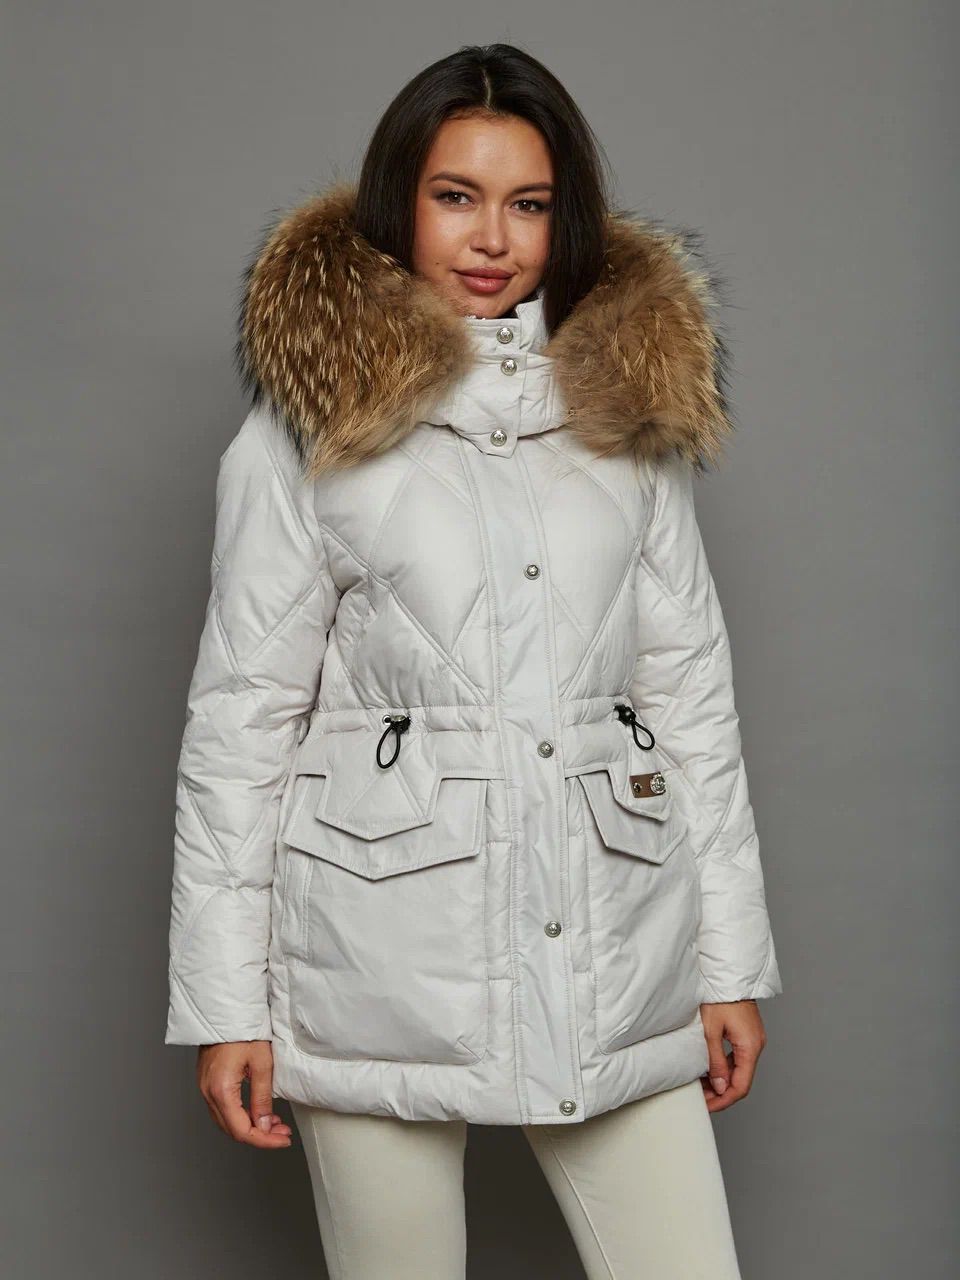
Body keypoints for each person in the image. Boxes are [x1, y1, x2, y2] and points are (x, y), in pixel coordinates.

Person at [164, 42, 782, 1280]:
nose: (493, 238)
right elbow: (242, 723)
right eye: (456, 196)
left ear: (567, 218)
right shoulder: (305, 427)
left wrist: (727, 966)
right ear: (400, 200)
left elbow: (689, 705)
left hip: (612, 946)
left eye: (529, 203)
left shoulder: (628, 421)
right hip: (372, 959)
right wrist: (224, 1002)